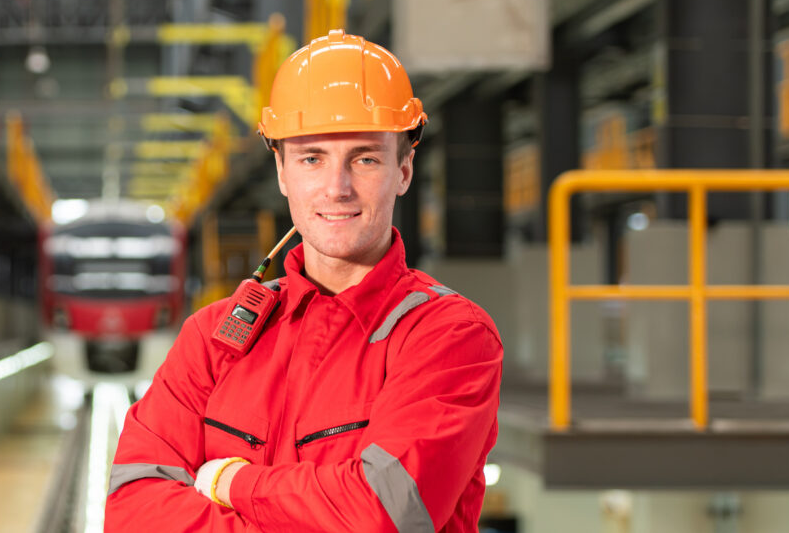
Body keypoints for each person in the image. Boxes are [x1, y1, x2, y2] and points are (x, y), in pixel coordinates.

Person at [105, 30, 504, 532]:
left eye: (365, 158)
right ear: (282, 171)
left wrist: (230, 482)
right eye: (312, 158)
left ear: (403, 170)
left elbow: (383, 511)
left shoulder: (449, 337)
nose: (336, 188)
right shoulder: (213, 338)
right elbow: (133, 507)